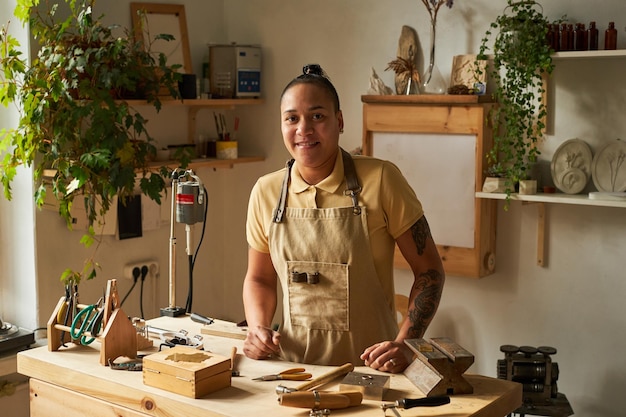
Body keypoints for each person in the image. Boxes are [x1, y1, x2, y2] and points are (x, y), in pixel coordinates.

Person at [242, 64, 445, 373]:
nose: (304, 129)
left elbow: (429, 270)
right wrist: (258, 327)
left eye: (317, 116)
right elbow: (260, 278)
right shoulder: (265, 191)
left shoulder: (381, 179)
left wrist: (405, 344)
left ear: (339, 121)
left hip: (372, 372)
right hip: (293, 372)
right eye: (292, 118)